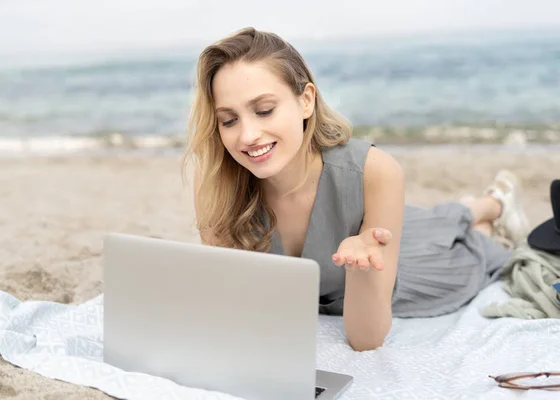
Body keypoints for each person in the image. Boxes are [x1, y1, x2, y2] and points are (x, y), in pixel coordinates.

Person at [181, 27, 530, 352]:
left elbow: (366, 341)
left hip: (398, 269)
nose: (247, 136)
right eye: (229, 120)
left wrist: (361, 270)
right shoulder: (214, 181)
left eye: (264, 110)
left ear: (306, 100)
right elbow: (233, 303)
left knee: (468, 251)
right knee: (426, 222)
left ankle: (491, 206)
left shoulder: (376, 172)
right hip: (387, 233)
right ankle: (480, 208)